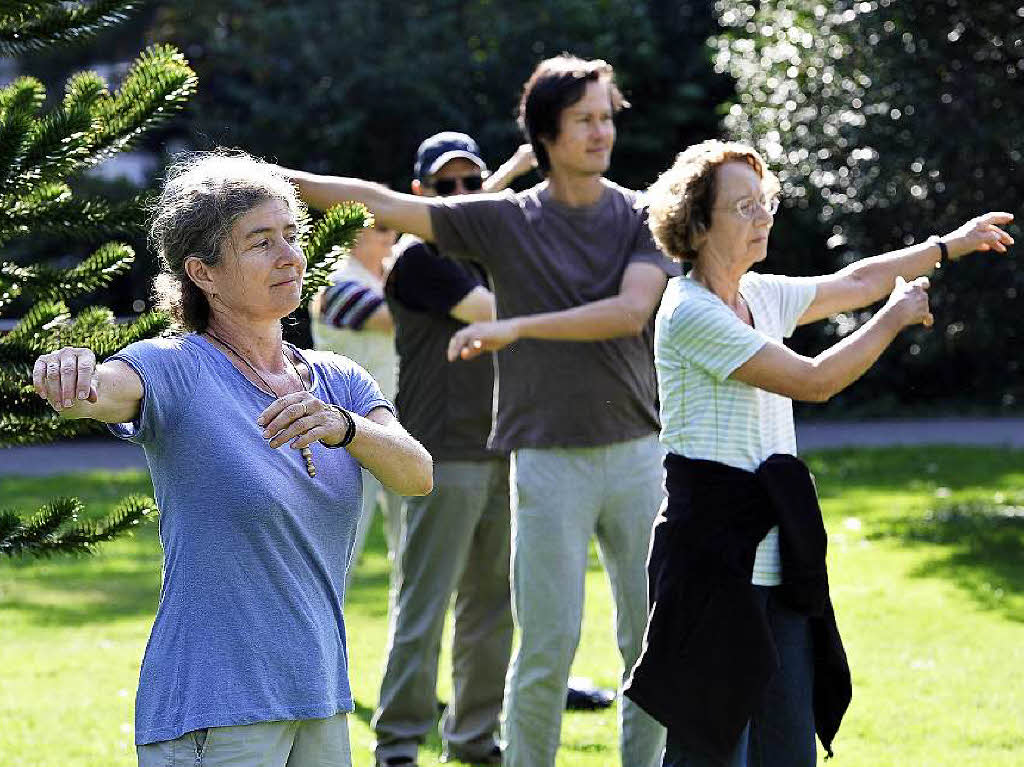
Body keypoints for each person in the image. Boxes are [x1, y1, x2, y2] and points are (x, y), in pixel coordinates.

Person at [281, 54, 677, 767]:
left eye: (606, 117)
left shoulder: (642, 215)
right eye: (584, 120)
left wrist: (518, 325)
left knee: (647, 638)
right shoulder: (500, 224)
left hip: (636, 453)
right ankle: (429, 747)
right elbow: (384, 204)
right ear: (548, 134)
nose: (602, 132)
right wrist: (272, 179)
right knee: (545, 645)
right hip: (538, 458)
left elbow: (630, 311)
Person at [31, 151, 433, 767]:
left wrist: (346, 427)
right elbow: (104, 391)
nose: (289, 256)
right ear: (204, 273)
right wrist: (72, 375)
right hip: (215, 711)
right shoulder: (176, 367)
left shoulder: (338, 380)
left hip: (320, 699)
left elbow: (416, 472)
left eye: (291, 236)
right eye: (260, 242)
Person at [621, 139, 1014, 767]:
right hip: (713, 559)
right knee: (712, 749)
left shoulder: (761, 293)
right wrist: (893, 319)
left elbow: (856, 280)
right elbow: (814, 380)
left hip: (781, 554)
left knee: (788, 751)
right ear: (696, 224)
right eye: (744, 207)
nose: (764, 218)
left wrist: (950, 244)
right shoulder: (688, 311)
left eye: (765, 202)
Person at [371, 132, 533, 767]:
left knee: (492, 610)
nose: (462, 196)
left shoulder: (487, 256)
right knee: (425, 607)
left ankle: (473, 740)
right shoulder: (417, 261)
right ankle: (400, 745)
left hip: (502, 451)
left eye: (472, 184)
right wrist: (507, 186)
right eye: (447, 188)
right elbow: (496, 311)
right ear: (422, 196)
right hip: (439, 457)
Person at [310, 220, 404, 571]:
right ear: (353, 235)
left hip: (396, 425)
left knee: (411, 551)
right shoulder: (337, 283)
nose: (391, 233)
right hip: (347, 432)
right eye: (381, 226)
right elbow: (397, 319)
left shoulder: (387, 277)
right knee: (337, 555)